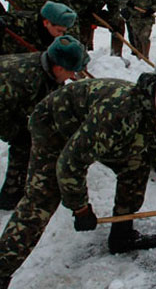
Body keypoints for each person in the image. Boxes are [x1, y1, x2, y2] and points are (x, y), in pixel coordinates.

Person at [0, 73, 156, 288]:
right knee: (42, 201)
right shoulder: (118, 115)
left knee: (136, 166)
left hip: (94, 132)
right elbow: (71, 163)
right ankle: (3, 268)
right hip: (54, 127)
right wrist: (81, 209)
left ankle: (121, 236)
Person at [0, 35, 89, 210]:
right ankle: (11, 194)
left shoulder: (46, 70)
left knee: (27, 135)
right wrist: (14, 132)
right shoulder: (24, 79)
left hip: (7, 104)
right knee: (23, 139)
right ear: (58, 67)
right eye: (71, 71)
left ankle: (13, 190)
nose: (73, 76)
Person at [0, 1, 77, 56]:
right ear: (46, 23)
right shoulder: (18, 23)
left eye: (63, 31)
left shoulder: (57, 32)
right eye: (59, 31)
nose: (61, 35)